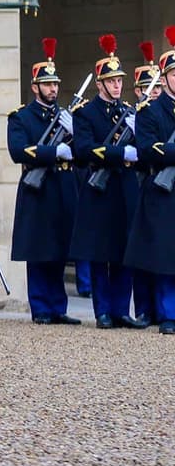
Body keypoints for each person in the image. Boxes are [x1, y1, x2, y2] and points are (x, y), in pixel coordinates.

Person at [68, 34, 146, 330]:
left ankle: (121, 309)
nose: (117, 85)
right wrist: (117, 152)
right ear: (99, 84)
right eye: (111, 81)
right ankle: (102, 310)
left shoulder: (129, 112)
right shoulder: (86, 113)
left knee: (124, 252)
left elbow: (143, 146)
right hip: (99, 187)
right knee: (100, 252)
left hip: (124, 185)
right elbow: (84, 149)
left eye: (119, 81)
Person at [7, 38, 81, 325]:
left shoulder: (65, 117)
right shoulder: (22, 117)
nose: (53, 89)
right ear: (35, 87)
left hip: (62, 186)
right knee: (39, 248)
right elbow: (18, 150)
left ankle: (58, 306)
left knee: (60, 247)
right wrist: (52, 151)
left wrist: (74, 134)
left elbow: (82, 151)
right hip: (38, 188)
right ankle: (40, 307)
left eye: (55, 84)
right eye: (47, 84)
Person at [124, 26, 175, 335]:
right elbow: (148, 149)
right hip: (163, 190)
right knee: (166, 257)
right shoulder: (150, 111)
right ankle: (168, 313)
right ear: (165, 77)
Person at [129, 43, 161, 327]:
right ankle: (145, 308)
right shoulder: (142, 113)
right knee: (144, 250)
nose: (153, 92)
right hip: (141, 182)